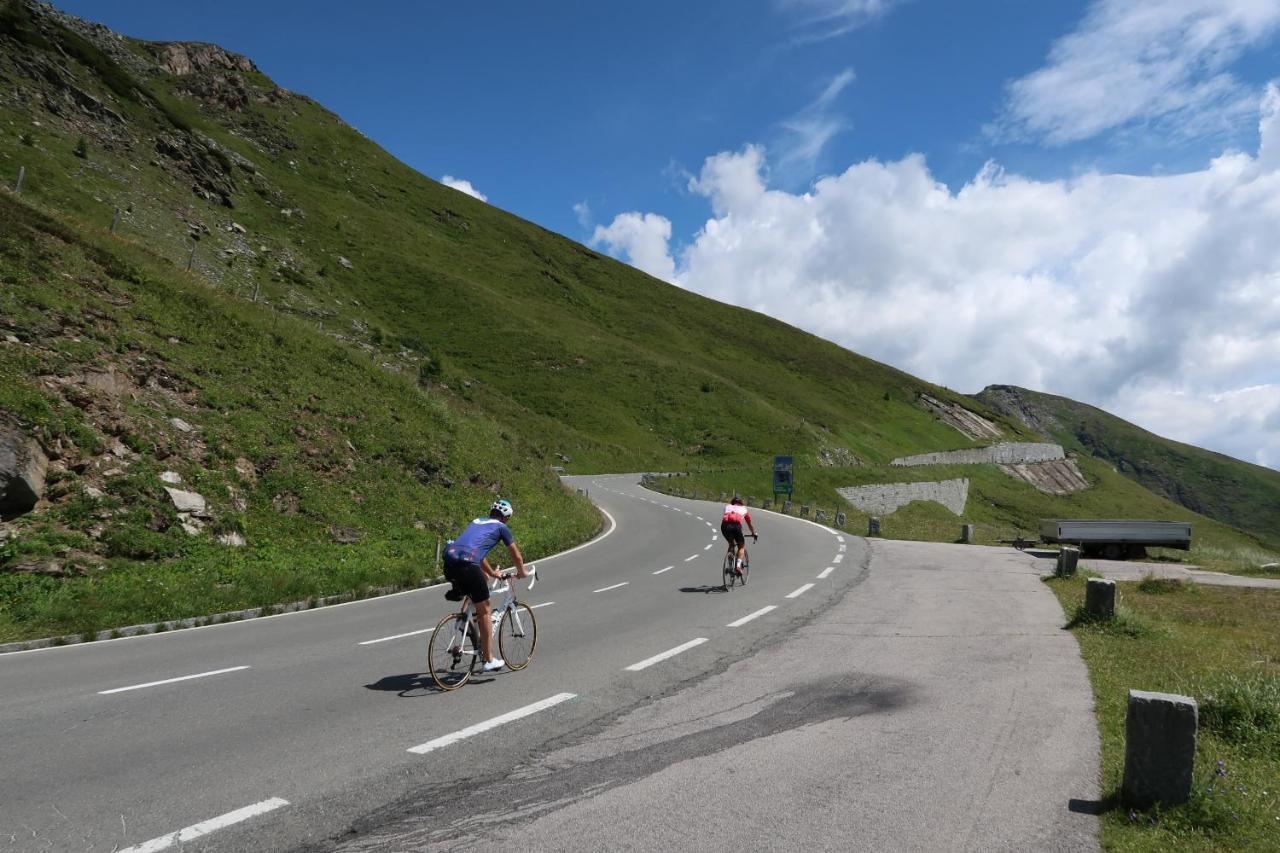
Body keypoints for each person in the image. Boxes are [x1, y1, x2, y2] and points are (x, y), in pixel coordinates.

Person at [442, 499, 529, 672]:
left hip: (450, 559)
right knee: (486, 610)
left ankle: (462, 619)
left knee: (480, 579)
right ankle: (489, 660)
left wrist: (491, 573)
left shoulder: (477, 521)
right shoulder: (501, 528)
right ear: (506, 517)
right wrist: (522, 572)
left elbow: (476, 552)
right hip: (467, 563)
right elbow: (516, 556)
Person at [720, 496, 757, 574]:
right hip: (736, 526)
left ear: (732, 502)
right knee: (741, 546)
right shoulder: (744, 509)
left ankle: (730, 566)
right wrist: (754, 533)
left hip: (724, 526)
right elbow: (749, 524)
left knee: (731, 544)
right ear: (741, 503)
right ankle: (738, 566)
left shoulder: (727, 507)